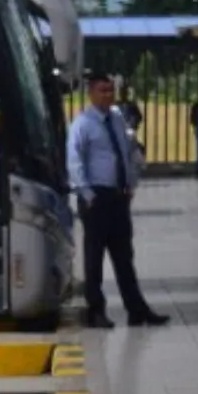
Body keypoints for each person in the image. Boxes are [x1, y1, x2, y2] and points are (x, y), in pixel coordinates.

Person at [67, 71, 168, 329]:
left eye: (110, 90)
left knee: (124, 256)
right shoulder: (83, 123)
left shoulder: (117, 119)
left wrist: (131, 184)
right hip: (96, 197)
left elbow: (128, 151)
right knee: (95, 258)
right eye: (102, 90)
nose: (108, 95)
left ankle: (137, 309)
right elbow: (75, 161)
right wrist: (87, 194)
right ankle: (96, 310)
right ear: (90, 93)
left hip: (118, 196)